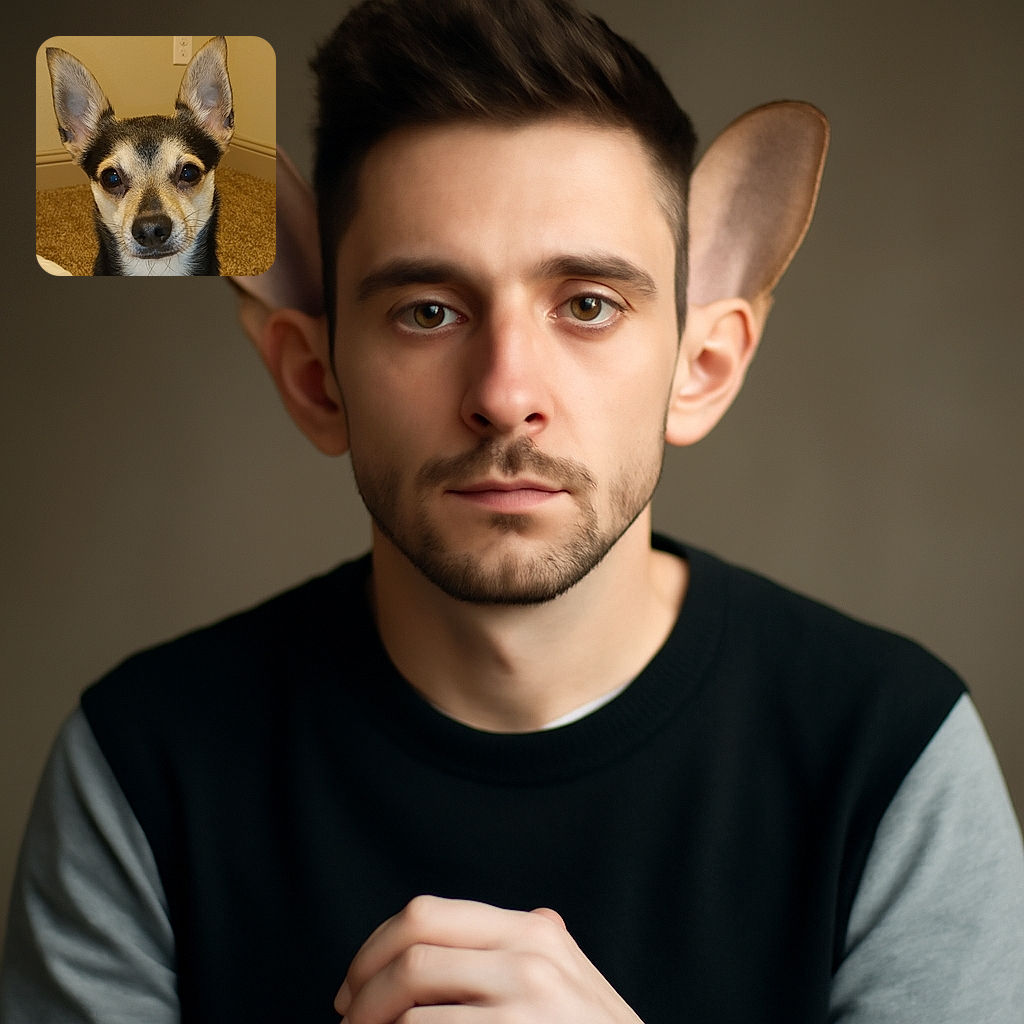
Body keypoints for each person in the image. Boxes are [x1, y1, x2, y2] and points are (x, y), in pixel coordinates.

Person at [3, 1, 1023, 1021]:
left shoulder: (893, 757)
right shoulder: (140, 767)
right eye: (428, 311)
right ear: (316, 380)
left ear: (701, 367)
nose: (504, 392)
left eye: (587, 304)